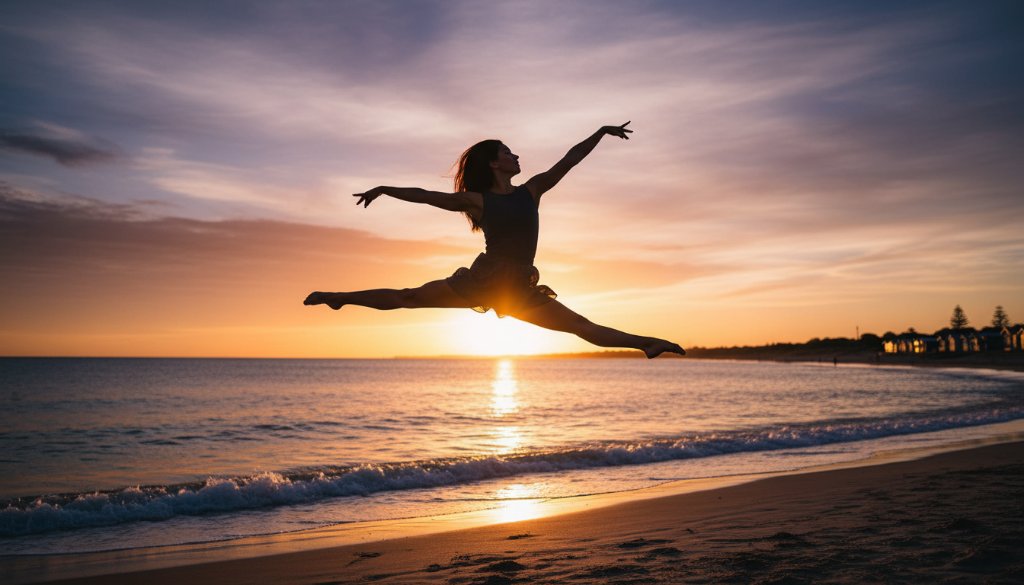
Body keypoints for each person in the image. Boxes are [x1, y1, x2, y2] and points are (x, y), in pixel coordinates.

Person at [304, 122, 685, 359]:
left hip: (518, 287)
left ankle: (647, 343)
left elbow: (568, 160)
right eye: (508, 152)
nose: (516, 156)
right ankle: (339, 298)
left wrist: (600, 133)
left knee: (580, 326)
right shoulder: (477, 200)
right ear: (493, 162)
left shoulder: (532, 190)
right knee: (410, 297)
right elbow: (426, 195)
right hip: (485, 280)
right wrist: (385, 188)